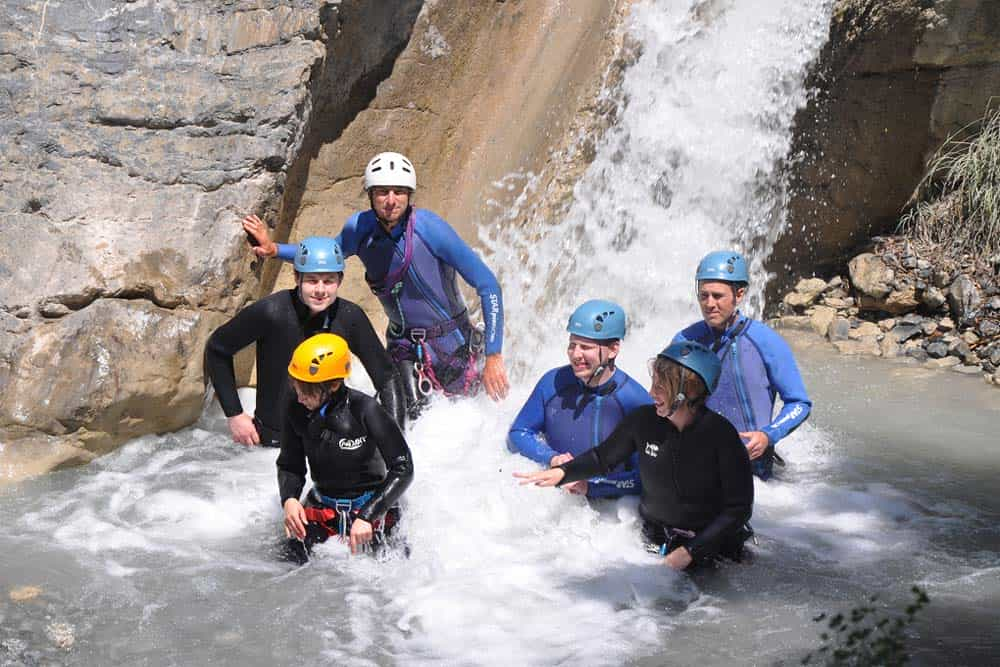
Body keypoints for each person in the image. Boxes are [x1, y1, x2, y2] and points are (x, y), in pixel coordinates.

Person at [244, 151, 509, 417]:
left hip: (454, 345)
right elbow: (323, 256)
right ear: (371, 195)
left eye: (399, 192)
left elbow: (488, 286)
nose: (391, 201)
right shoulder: (359, 229)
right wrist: (274, 248)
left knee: (467, 420)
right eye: (382, 192)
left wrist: (494, 355)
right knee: (406, 420)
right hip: (403, 347)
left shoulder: (430, 229)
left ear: (409, 194)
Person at [515, 341, 753, 571]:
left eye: (661, 387)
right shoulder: (643, 421)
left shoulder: (721, 436)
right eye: (653, 383)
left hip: (712, 547)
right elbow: (602, 458)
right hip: (655, 539)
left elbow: (739, 509)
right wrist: (563, 473)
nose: (651, 393)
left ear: (688, 391)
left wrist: (690, 552)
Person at [205, 237, 405, 447]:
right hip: (272, 448)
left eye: (328, 281)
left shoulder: (350, 317)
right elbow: (218, 349)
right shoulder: (271, 311)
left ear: (340, 280)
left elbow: (387, 377)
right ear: (296, 277)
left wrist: (395, 439)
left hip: (334, 444)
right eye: (312, 280)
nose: (320, 290)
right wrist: (235, 415)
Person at [673, 251, 811, 480]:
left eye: (718, 296)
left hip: (754, 471)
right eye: (703, 295)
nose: (709, 304)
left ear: (739, 294)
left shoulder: (766, 341)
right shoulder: (684, 341)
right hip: (698, 464)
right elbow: (662, 399)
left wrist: (769, 435)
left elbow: (799, 403)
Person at [277, 333, 413, 562]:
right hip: (323, 508)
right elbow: (290, 464)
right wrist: (289, 499)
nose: (299, 396)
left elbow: (404, 468)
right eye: (296, 386)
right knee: (281, 567)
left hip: (372, 510)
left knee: (394, 575)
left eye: (306, 389)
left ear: (333, 384)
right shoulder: (296, 407)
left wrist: (368, 516)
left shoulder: (365, 410)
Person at [507, 300, 650, 499]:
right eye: (572, 345)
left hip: (611, 512)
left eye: (586, 347)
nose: (576, 355)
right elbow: (517, 433)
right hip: (557, 497)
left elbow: (644, 479)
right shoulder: (552, 383)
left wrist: (590, 487)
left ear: (613, 349)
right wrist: (552, 458)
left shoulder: (635, 401)